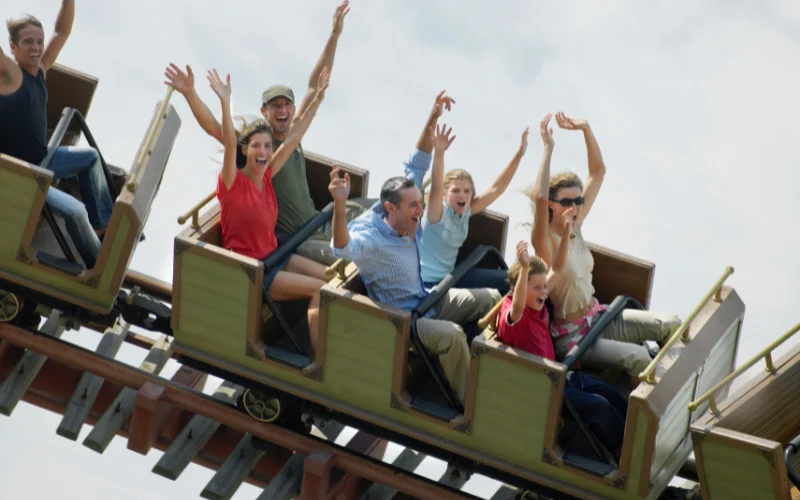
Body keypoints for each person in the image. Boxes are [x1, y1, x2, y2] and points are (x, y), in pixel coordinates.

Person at [164, 1, 365, 265]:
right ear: (264, 112)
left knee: (374, 212)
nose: (282, 110)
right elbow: (215, 127)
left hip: (318, 221)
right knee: (352, 262)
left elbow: (314, 87)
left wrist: (335, 35)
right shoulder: (257, 149)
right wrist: (190, 93)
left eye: (286, 105)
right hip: (295, 240)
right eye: (275, 106)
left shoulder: (293, 132)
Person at [328, 98, 501, 404]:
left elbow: (417, 164)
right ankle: (469, 405)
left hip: (427, 297)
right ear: (391, 208)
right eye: (414, 207)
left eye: (420, 203)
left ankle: (488, 367)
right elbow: (342, 247)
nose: (421, 212)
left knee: (491, 298)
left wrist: (432, 116)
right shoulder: (371, 239)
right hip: (406, 322)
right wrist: (340, 205)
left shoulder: (406, 200)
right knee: (452, 335)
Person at [527, 112, 681, 380]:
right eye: (566, 202)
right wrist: (548, 149)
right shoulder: (545, 241)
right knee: (638, 357)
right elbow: (539, 197)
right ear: (552, 204)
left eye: (578, 202)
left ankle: (675, 385)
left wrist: (586, 129)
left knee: (672, 324)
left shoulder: (576, 225)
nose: (574, 207)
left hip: (598, 317)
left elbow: (597, 172)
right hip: (573, 336)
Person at [206, 66, 331, 361]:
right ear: (246, 151)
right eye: (257, 147)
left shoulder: (267, 177)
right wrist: (224, 101)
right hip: (256, 272)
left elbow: (295, 135)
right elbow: (228, 140)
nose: (264, 151)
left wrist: (319, 98)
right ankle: (318, 364)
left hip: (277, 256)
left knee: (333, 279)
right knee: (322, 291)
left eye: (267, 147)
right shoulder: (233, 184)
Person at [0, 2, 113, 269]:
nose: (36, 47)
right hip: (24, 175)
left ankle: (101, 225)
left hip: (43, 158)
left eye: (39, 41)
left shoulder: (39, 70)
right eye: (28, 42)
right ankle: (97, 266)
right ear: (13, 47)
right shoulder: (10, 76)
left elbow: (62, 31)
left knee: (90, 157)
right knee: (75, 211)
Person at [497, 239, 627, 456]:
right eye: (537, 288)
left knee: (609, 392)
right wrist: (525, 268)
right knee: (600, 407)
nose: (544, 292)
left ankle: (636, 437)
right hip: (545, 389)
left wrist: (566, 234)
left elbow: (557, 269)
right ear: (520, 287)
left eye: (544, 287)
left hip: (562, 376)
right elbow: (517, 309)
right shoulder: (513, 313)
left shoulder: (536, 301)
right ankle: (623, 453)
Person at [419, 123, 529, 294]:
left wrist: (519, 154)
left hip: (451, 278)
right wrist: (439, 152)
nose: (462, 196)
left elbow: (497, 189)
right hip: (428, 285)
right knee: (486, 296)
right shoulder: (437, 213)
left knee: (512, 278)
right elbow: (436, 185)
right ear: (444, 195)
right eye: (455, 191)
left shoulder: (466, 211)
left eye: (466, 191)